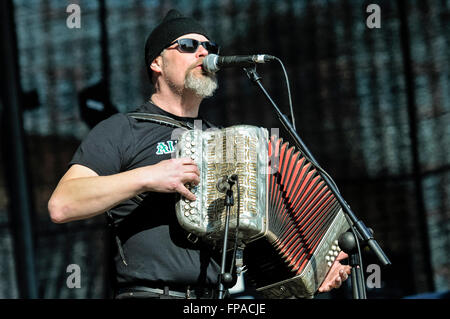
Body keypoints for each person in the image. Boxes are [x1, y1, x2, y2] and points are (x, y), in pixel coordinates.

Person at [48, 9, 350, 299]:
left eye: (209, 45)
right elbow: (62, 205)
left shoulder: (226, 142)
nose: (203, 52)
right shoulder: (123, 129)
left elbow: (257, 236)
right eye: (189, 45)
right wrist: (147, 177)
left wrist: (315, 268)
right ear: (157, 62)